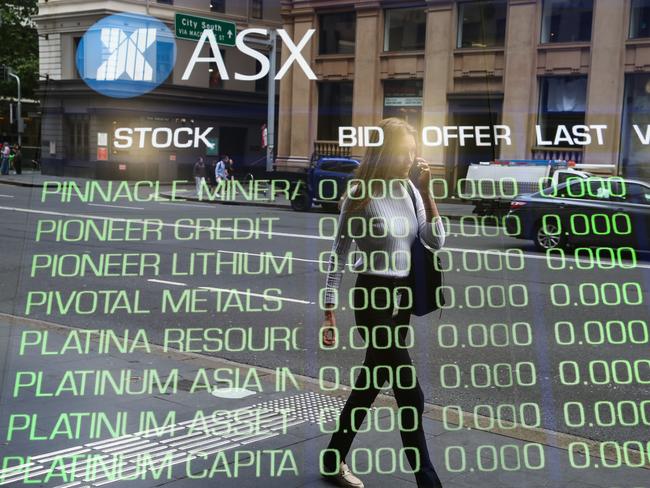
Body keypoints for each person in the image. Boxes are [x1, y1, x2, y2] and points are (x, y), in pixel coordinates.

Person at [320, 117, 446, 488]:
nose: (410, 158)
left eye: (413, 151)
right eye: (403, 151)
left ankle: (332, 459)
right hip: (373, 299)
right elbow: (338, 254)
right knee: (411, 392)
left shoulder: (410, 191)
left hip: (401, 300)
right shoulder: (359, 194)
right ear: (385, 151)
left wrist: (428, 193)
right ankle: (428, 482)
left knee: (369, 385)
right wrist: (329, 311)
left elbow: (435, 241)